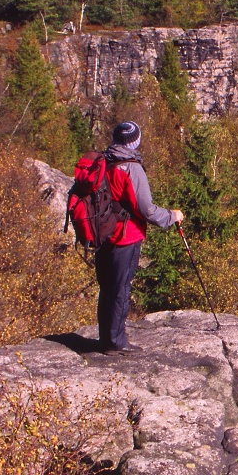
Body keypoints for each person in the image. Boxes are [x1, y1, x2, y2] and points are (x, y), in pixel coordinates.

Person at [96, 121, 182, 354]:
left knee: (107, 287)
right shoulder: (130, 168)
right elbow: (146, 209)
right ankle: (115, 342)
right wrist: (171, 216)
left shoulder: (103, 161)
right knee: (121, 288)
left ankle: (106, 337)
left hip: (101, 233)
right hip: (124, 236)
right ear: (135, 142)